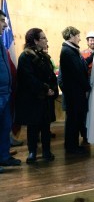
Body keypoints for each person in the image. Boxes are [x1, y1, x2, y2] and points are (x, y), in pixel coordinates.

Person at [15, 28, 58, 163]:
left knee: (46, 127)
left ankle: (46, 151)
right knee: (33, 127)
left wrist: (52, 89)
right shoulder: (25, 57)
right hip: (32, 98)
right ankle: (32, 152)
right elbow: (28, 78)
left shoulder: (44, 56)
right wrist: (45, 89)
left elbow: (51, 75)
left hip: (45, 98)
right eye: (44, 38)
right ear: (35, 40)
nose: (46, 40)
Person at [60, 26, 90, 154]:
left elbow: (81, 65)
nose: (79, 38)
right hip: (74, 93)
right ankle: (72, 146)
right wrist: (88, 87)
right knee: (73, 120)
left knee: (75, 119)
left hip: (75, 92)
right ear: (71, 36)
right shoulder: (68, 51)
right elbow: (77, 72)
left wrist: (93, 56)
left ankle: (72, 145)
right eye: (78, 36)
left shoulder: (72, 50)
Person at [0, 10, 21, 171]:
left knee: (5, 126)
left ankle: (4, 157)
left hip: (5, 93)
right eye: (2, 21)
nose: (5, 25)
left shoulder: (1, 42)